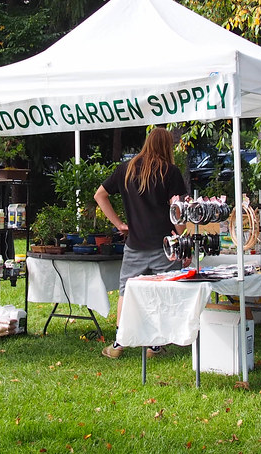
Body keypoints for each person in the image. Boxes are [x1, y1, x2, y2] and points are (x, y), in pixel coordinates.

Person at [93, 126, 187, 358]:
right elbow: (178, 214)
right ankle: (155, 345)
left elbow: (99, 195)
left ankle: (119, 342)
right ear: (166, 146)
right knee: (162, 292)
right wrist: (181, 234)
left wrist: (118, 225)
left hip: (134, 244)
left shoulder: (126, 169)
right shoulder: (170, 172)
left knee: (127, 291)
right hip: (165, 245)